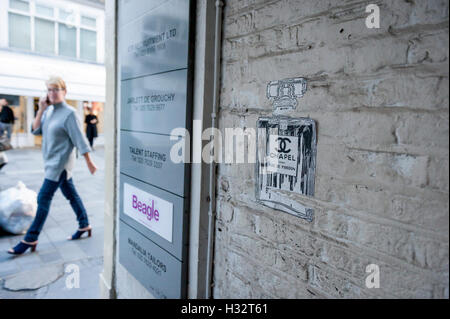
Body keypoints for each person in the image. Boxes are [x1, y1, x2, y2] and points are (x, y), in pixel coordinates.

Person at [8, 76, 97, 255]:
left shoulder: (70, 113)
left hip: (61, 163)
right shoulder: (48, 111)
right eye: (49, 89)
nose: (52, 93)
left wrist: (89, 161)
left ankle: (31, 237)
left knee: (43, 198)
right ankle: (84, 224)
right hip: (49, 162)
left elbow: (79, 138)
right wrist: (41, 109)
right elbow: (35, 130)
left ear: (64, 91)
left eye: (56, 89)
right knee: (71, 194)